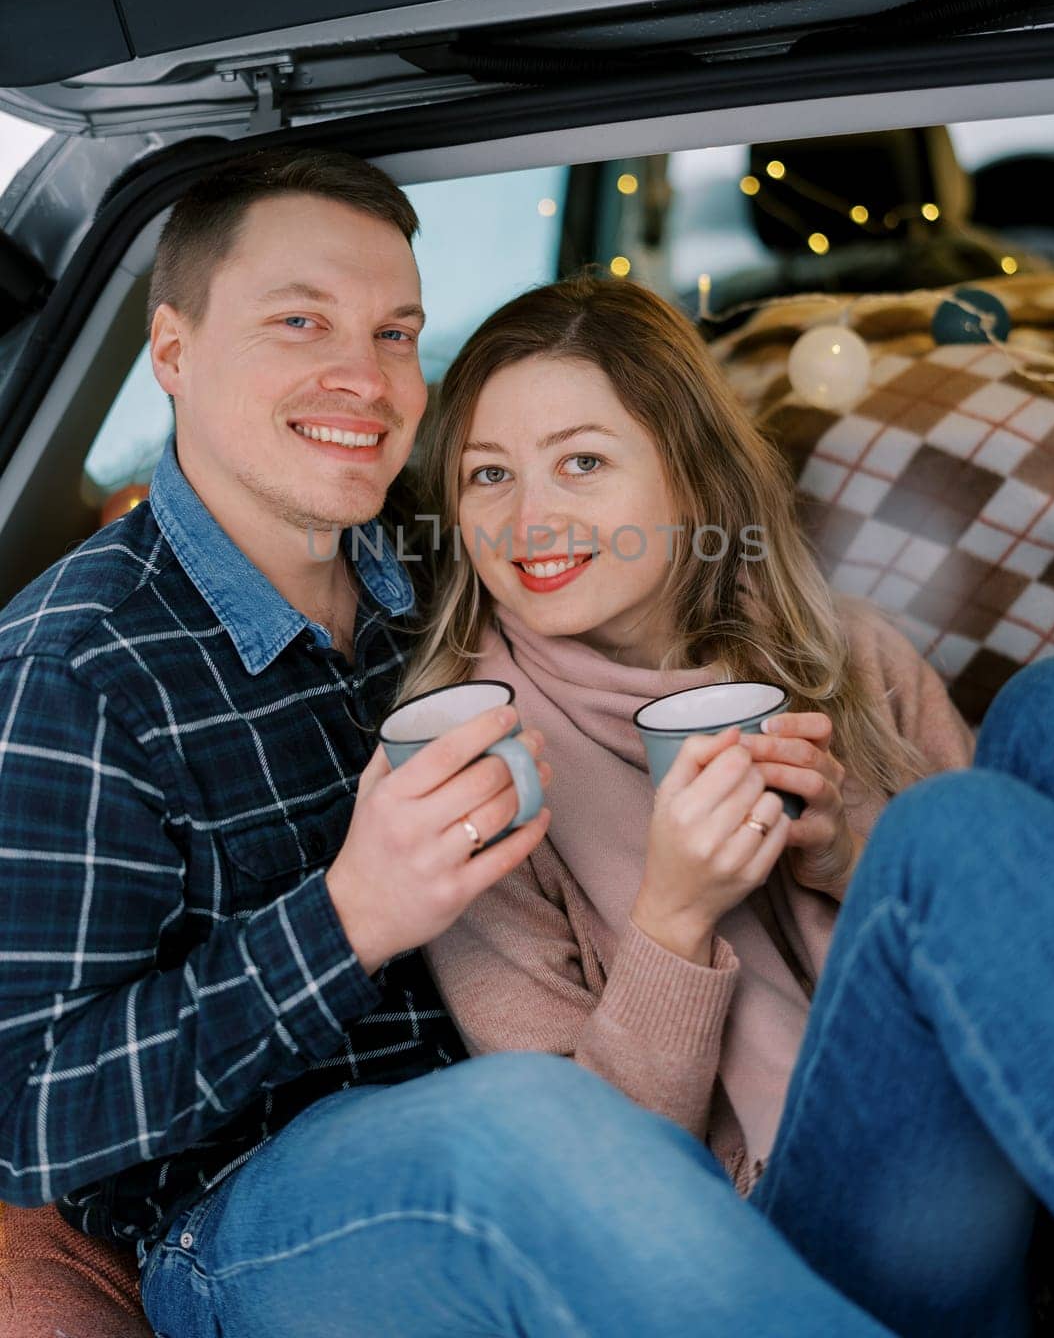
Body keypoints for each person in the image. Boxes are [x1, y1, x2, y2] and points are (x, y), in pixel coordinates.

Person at [0, 146, 916, 1338]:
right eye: (299, 321)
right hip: (257, 1229)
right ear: (172, 351)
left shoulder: (451, 573)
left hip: (569, 1137)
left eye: (395, 333)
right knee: (529, 1127)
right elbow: (23, 1112)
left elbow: (646, 543)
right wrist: (347, 921)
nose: (362, 377)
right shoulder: (72, 670)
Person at [406, 274, 1054, 1336]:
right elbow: (580, 1187)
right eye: (487, 474)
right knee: (948, 827)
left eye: (581, 461)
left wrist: (850, 849)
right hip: (771, 1229)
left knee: (1048, 707)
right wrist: (672, 917)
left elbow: (1009, 937)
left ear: (692, 479)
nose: (528, 519)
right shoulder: (470, 768)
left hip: (995, 1123)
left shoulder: (844, 654)